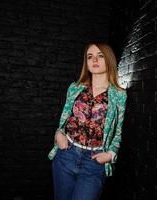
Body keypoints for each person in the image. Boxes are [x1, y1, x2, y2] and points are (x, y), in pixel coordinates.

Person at [47, 41, 127, 200]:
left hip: (94, 162)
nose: (94, 60)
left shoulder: (119, 94)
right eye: (90, 57)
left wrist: (111, 154)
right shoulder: (74, 88)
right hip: (66, 155)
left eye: (100, 56)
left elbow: (117, 131)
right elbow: (64, 120)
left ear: (109, 59)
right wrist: (59, 133)